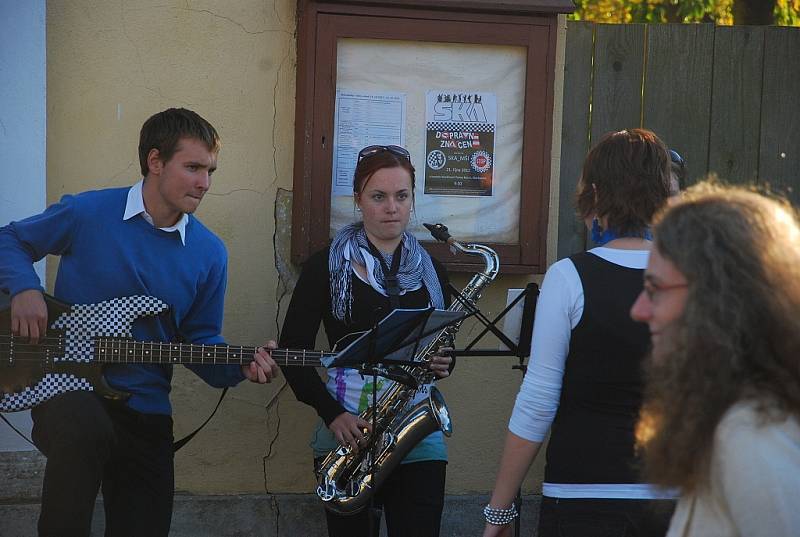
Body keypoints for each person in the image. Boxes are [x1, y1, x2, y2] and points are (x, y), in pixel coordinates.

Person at [0, 108, 280, 537]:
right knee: (82, 428)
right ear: (155, 161)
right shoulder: (89, 212)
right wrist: (24, 288)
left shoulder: (209, 253)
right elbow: (10, 239)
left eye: (210, 171)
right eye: (193, 167)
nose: (204, 183)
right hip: (66, 390)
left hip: (145, 407)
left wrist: (238, 366)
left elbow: (200, 339)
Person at [483, 129, 676, 537]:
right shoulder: (695, 278)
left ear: (595, 193)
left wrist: (499, 512)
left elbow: (537, 402)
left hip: (581, 496)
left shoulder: (569, 277)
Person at [279, 144, 453, 537]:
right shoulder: (324, 266)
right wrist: (332, 414)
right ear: (358, 201)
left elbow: (442, 348)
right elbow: (293, 354)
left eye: (401, 196)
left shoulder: (433, 271)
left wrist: (444, 362)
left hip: (416, 432)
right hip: (347, 430)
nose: (392, 207)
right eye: (378, 196)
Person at [631, 183, 800, 536]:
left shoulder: (750, 437)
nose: (639, 310)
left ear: (718, 300)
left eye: (654, 290)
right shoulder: (730, 419)